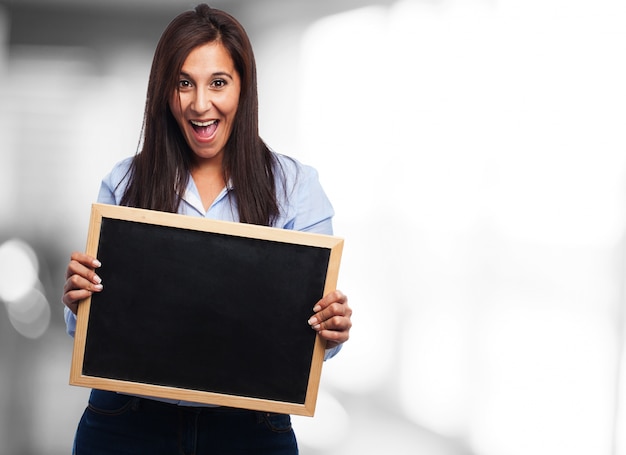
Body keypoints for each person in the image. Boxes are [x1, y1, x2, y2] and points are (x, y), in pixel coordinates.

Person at [61, 4, 352, 454]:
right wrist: (78, 299)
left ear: (243, 88)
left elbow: (314, 344)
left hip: (251, 431)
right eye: (184, 83)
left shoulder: (296, 188)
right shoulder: (124, 181)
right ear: (164, 92)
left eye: (218, 82)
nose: (200, 104)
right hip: (128, 423)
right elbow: (88, 326)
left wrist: (330, 328)